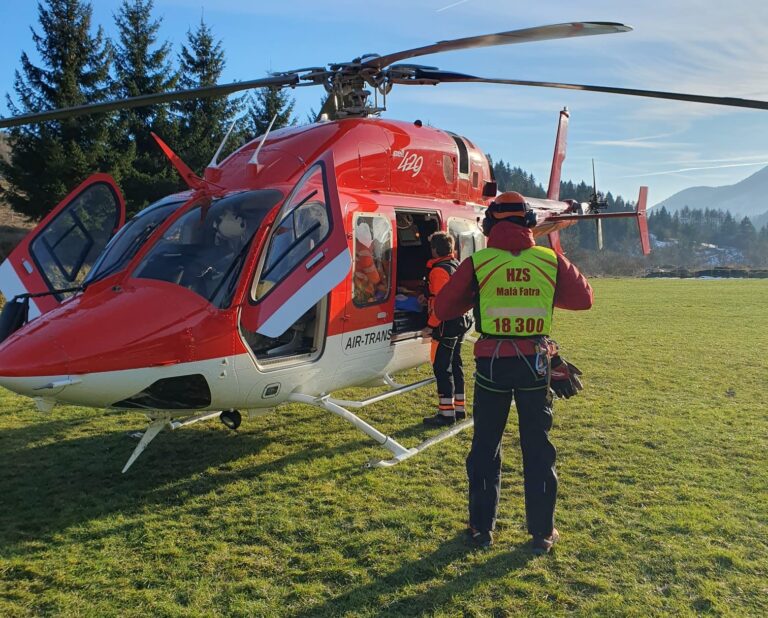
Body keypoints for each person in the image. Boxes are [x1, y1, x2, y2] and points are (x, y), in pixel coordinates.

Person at [434, 191, 593, 553]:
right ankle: (542, 533)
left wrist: (476, 294)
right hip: (535, 366)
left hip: (492, 364)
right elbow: (583, 299)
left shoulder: (480, 262)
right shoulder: (549, 260)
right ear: (531, 224)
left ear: (488, 225)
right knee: (538, 448)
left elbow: (444, 308)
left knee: (485, 447)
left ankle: (481, 529)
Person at [422, 232, 471, 426]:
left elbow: (443, 304)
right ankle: (459, 408)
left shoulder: (438, 271)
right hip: (460, 322)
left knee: (442, 367)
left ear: (434, 249)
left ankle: (446, 413)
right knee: (456, 363)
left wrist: (430, 325)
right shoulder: (456, 265)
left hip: (446, 324)